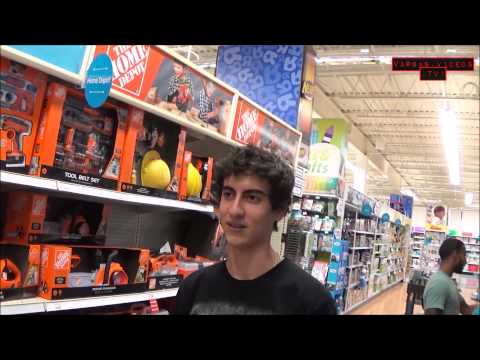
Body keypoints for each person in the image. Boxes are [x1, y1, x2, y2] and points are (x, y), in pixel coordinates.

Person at [174, 145, 337, 315]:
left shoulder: (312, 302)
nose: (235, 210)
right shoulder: (193, 289)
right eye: (228, 194)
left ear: (279, 210)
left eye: (252, 197)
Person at [423, 237, 477, 315]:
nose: (465, 261)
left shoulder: (448, 282)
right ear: (455, 254)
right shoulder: (439, 283)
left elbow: (466, 309)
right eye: (464, 255)